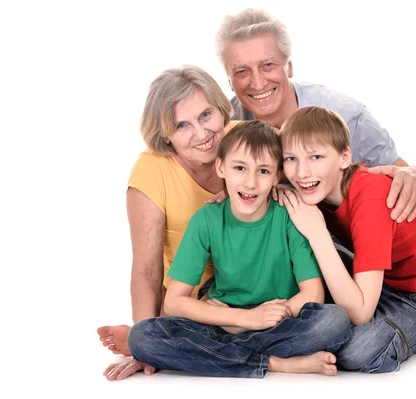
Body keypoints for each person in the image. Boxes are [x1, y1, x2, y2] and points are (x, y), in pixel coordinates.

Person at [124, 120, 351, 378]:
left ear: (277, 175)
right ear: (221, 167)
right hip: (225, 320)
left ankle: (226, 356)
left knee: (334, 322)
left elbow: (312, 294)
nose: (250, 183)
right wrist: (244, 319)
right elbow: (175, 302)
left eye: (263, 171)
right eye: (240, 168)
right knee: (142, 337)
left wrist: (268, 316)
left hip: (279, 321)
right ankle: (275, 363)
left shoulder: (290, 215)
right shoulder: (206, 219)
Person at [278, 105, 416, 373]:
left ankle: (300, 340)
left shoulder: (372, 197)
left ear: (345, 157)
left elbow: (360, 313)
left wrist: (316, 231)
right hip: (374, 280)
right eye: (291, 159)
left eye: (316, 157)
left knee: (359, 350)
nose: (302, 173)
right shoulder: (317, 186)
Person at [216, 8, 416, 223]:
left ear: (289, 67)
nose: (257, 82)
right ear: (229, 81)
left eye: (268, 65)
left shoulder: (347, 116)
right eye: (241, 71)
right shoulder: (226, 124)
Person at [97, 65, 240, 380]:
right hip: (192, 302)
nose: (201, 134)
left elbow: (312, 163)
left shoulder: (247, 140)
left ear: (221, 108)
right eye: (182, 125)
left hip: (250, 287)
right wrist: (144, 342)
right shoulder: (151, 171)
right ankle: (151, 334)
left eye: (206, 115)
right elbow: (146, 268)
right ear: (164, 134)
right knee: (152, 336)